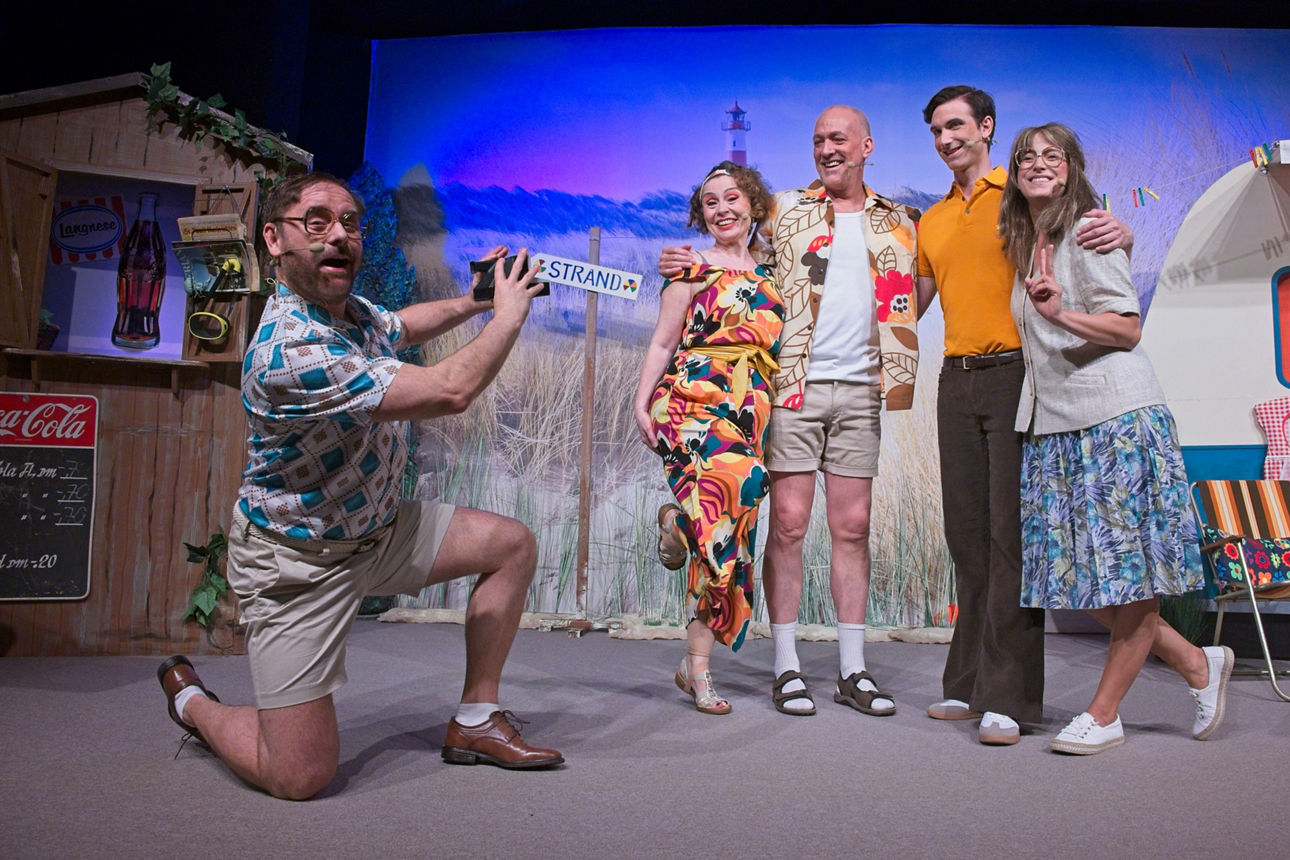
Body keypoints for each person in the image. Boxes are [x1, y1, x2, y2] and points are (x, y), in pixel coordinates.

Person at [156, 172, 562, 799]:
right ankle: (193, 706)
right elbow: (448, 393)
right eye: (316, 222)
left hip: (376, 530)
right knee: (299, 776)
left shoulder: (347, 314)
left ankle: (475, 721)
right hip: (300, 563)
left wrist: (478, 299)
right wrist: (507, 319)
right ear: (274, 239)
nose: (339, 235)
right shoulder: (290, 349)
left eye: (350, 222)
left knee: (511, 544)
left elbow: (399, 326)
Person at [660, 106, 920, 717]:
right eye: (818, 140)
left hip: (861, 392)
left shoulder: (902, 222)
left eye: (838, 139)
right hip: (793, 389)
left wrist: (897, 336)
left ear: (867, 144)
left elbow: (921, 285)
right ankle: (787, 666)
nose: (827, 148)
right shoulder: (785, 210)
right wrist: (682, 263)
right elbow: (734, 260)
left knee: (852, 529)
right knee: (790, 526)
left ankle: (854, 672)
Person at [999, 123, 1233, 754]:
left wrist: (1059, 314)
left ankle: (1104, 714)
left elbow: (1127, 329)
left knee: (1130, 581)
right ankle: (1195, 662)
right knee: (1071, 581)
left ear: (1072, 169)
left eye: (1052, 156)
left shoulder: (1088, 228)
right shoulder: (1029, 238)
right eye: (1027, 157)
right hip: (1056, 425)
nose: (1038, 164)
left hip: (1115, 420)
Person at [915, 85, 1136, 745]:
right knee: (967, 537)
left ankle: (1009, 699)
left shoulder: (1019, 194)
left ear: (985, 127)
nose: (948, 138)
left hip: (1016, 375)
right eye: (936, 130)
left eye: (957, 125)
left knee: (1010, 538)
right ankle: (966, 685)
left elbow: (1081, 225)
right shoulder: (930, 219)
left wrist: (1123, 226)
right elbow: (910, 306)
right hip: (954, 382)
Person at [634, 161, 784, 714]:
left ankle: (694, 667)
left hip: (747, 409)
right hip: (692, 401)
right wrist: (640, 401)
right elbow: (660, 343)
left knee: (730, 535)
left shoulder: (771, 277)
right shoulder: (691, 270)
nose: (722, 209)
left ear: (753, 205)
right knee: (732, 500)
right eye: (711, 202)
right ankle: (680, 524)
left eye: (732, 198)